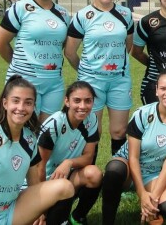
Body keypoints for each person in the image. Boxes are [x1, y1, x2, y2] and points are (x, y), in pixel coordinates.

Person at [0, 75, 75, 225]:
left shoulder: (30, 139)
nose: (21, 108)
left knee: (65, 187)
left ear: (34, 106)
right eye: (16, 101)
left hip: (9, 213)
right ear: (5, 103)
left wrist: (39, 212)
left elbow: (33, 182)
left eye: (28, 103)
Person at [100, 71, 166, 224]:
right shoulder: (142, 114)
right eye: (163, 88)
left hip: (153, 174)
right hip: (128, 169)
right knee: (114, 170)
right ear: (156, 90)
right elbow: (133, 157)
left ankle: (152, 211)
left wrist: (153, 199)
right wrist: (142, 194)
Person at [64, 0, 134, 160]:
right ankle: (89, 180)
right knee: (92, 132)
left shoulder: (125, 14)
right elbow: (70, 52)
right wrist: (87, 72)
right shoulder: (83, 16)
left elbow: (127, 46)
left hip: (119, 81)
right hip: (91, 82)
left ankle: (117, 177)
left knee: (119, 132)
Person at [0, 0, 71, 123]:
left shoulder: (63, 14)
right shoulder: (20, 8)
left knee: (46, 134)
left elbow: (59, 45)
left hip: (54, 83)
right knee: (22, 132)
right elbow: (0, 43)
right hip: (25, 81)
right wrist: (20, 65)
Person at [37, 81, 103, 225]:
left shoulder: (92, 120)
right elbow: (38, 169)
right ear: (67, 101)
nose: (83, 106)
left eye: (88, 101)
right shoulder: (54, 124)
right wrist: (41, 208)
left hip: (67, 179)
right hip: (41, 183)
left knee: (94, 174)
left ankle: (77, 217)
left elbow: (88, 157)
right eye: (77, 100)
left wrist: (68, 162)